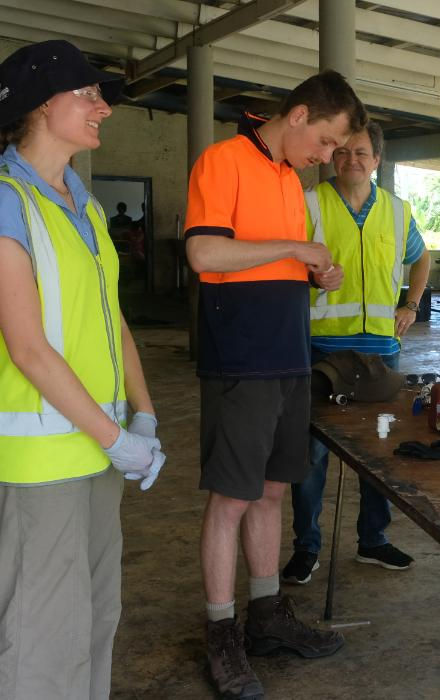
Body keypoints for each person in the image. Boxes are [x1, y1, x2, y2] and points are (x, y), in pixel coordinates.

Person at [184, 71, 365, 700]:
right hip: (241, 359)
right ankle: (221, 633)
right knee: (231, 497)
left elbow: (269, 258)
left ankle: (265, 616)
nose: (324, 157)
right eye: (323, 141)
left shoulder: (291, 179)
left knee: (269, 491)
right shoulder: (223, 160)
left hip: (289, 354)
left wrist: (315, 272)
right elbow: (206, 255)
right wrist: (297, 244)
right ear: (297, 114)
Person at [0, 40, 166, 699]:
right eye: (88, 94)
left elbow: (112, 318)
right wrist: (116, 437)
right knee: (42, 640)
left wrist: (144, 411)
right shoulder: (8, 200)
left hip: (97, 457)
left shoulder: (86, 208)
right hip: (41, 468)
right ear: (41, 105)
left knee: (97, 617)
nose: (103, 108)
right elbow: (28, 347)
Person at [282, 119, 431, 584]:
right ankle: (305, 547)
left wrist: (410, 304)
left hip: (381, 353)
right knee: (309, 457)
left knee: (379, 453)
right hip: (321, 347)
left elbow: (420, 257)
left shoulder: (397, 210)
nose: (351, 160)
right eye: (343, 151)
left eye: (361, 152)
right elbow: (285, 259)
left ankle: (374, 541)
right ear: (332, 156)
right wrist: (310, 276)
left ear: (377, 160)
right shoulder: (308, 204)